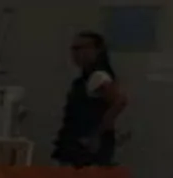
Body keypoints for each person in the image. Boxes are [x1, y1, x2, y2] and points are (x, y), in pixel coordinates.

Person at [53, 31, 126, 166]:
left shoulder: (98, 76)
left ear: (97, 50)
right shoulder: (83, 80)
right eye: (73, 49)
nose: (76, 54)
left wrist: (98, 134)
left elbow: (119, 101)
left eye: (81, 48)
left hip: (86, 147)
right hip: (76, 142)